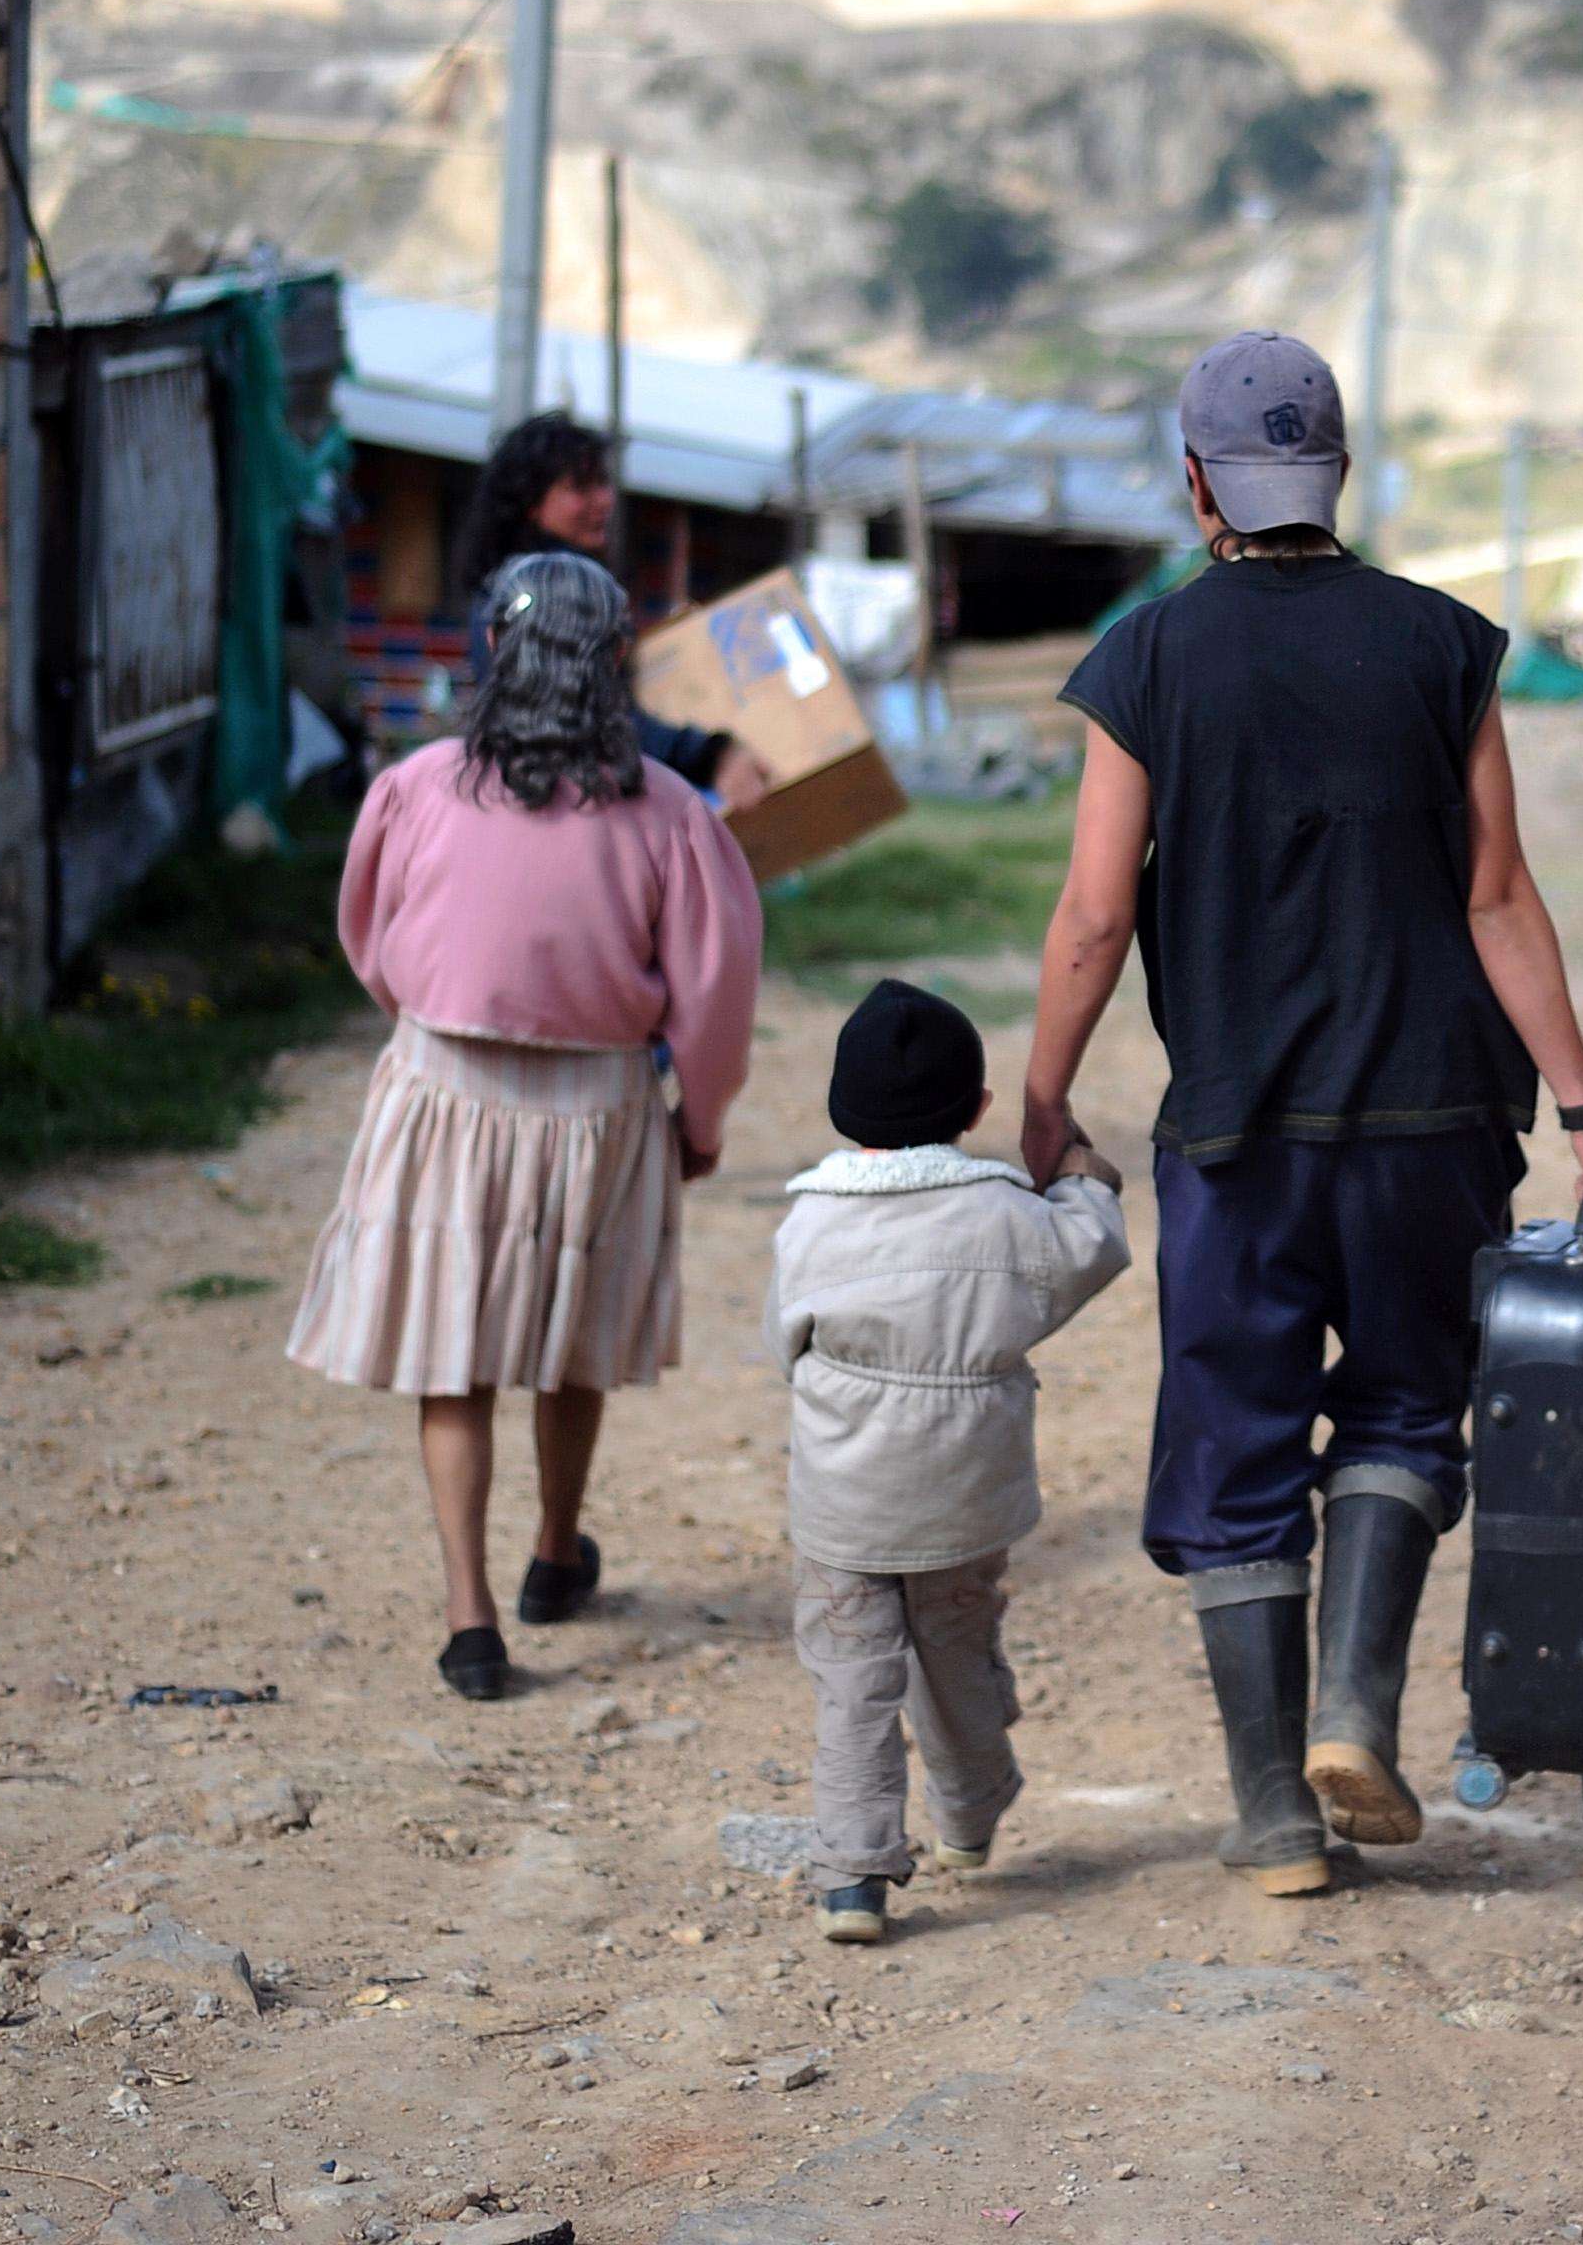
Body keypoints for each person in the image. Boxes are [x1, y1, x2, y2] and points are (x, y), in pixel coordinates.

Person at [1023, 329, 1583, 1898]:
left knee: (1236, 1443)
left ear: (1196, 483)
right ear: (1340, 474)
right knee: (1404, 1410)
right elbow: (1500, 894)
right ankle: (1356, 1711)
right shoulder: (1445, 647)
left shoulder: (1147, 661)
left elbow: (1095, 917)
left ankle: (1274, 1815)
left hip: (1239, 1137)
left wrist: (1041, 1095)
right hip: (1435, 1121)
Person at [289, 551, 764, 1700]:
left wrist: (438, 1025)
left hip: (442, 1092)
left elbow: (370, 935)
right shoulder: (668, 813)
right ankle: (557, 1550)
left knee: (450, 1358)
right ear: (614, 669)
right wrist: (697, 1120)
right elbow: (713, 988)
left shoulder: (415, 786)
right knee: (572, 1333)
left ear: (490, 653)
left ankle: (470, 1616)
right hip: (597, 1108)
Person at [766, 979, 1131, 1945]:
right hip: (966, 1497)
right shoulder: (1005, 1215)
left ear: (843, 1114)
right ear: (975, 1110)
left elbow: (783, 1342)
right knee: (957, 1651)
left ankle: (851, 1876)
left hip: (844, 1502)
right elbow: (1089, 1253)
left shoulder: (811, 1221)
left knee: (854, 1678)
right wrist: (1088, 1177)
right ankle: (970, 1817)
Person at [451, 410, 766, 804]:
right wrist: (709, 754)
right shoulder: (530, 600)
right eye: (581, 488)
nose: (603, 501)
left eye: (604, 483)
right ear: (529, 502)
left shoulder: (562, 585)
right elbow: (587, 717)